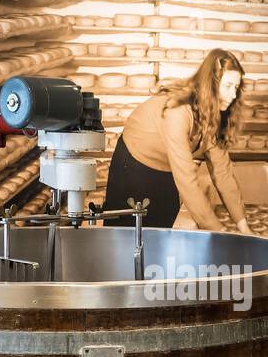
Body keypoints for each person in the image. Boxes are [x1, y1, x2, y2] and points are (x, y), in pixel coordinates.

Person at [103, 48, 252, 232]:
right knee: (122, 237)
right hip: (134, 165)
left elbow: (222, 173)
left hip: (167, 170)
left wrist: (243, 226)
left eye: (236, 87)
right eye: (228, 86)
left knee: (160, 236)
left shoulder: (214, 113)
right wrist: (218, 231)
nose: (234, 95)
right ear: (211, 85)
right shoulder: (179, 111)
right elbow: (186, 180)